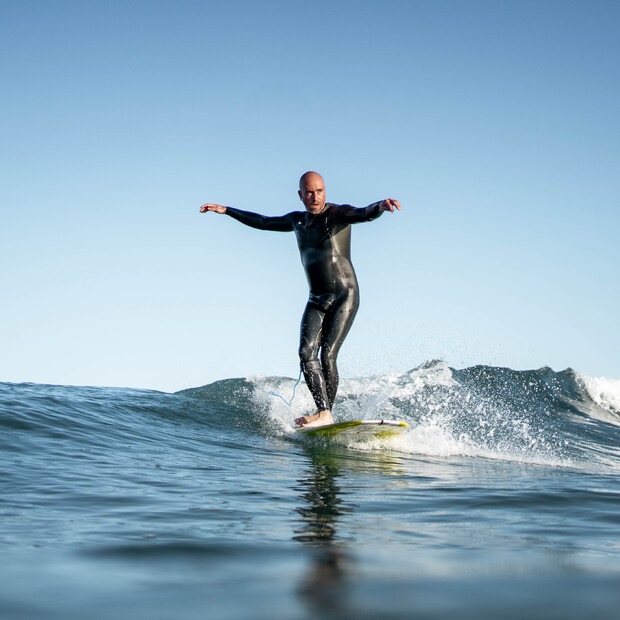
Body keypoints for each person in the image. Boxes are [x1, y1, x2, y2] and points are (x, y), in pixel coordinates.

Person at [200, 171, 401, 428]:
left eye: (319, 191)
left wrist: (380, 207)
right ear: (300, 195)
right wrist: (226, 210)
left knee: (327, 355)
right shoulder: (297, 221)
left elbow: (363, 213)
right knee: (306, 353)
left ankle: (325, 413)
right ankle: (324, 412)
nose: (314, 197)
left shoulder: (337, 214)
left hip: (344, 295)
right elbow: (263, 221)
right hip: (316, 298)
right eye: (309, 192)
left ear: (325, 191)